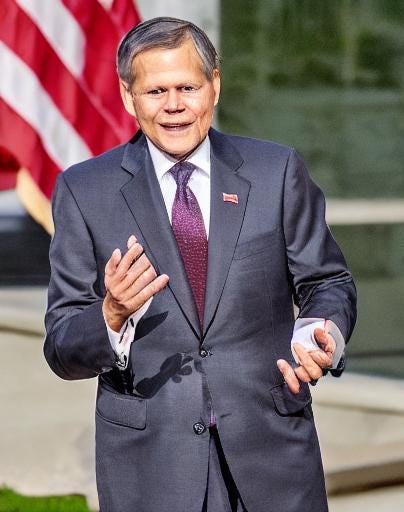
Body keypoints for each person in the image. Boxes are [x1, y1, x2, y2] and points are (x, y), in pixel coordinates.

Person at [44, 17, 356, 512]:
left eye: (187, 87)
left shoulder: (276, 171)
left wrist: (320, 331)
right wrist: (111, 313)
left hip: (272, 455)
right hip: (151, 468)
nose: (174, 105)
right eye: (156, 91)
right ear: (128, 96)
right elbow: (62, 348)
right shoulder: (84, 191)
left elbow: (327, 280)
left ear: (215, 86)